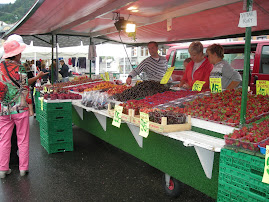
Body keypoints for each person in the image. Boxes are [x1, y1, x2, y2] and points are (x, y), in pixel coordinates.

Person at [0, 40, 47, 178]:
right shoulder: (20, 68)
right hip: (20, 109)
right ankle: (23, 168)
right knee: (23, 138)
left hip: (3, 109)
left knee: (4, 139)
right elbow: (25, 86)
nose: (20, 54)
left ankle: (3, 169)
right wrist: (37, 77)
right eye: (19, 52)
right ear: (15, 55)